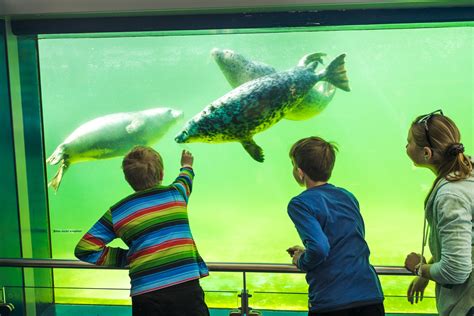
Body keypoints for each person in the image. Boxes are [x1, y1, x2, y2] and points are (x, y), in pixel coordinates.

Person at [75, 147, 209, 316]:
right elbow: (186, 179)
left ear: (127, 179)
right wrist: (187, 165)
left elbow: (85, 248)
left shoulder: (118, 211)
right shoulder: (176, 194)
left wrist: (128, 257)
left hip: (146, 295)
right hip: (185, 289)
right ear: (161, 174)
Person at [286, 136, 385, 316]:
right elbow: (349, 239)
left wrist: (301, 260)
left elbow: (320, 248)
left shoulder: (300, 204)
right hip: (370, 295)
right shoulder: (348, 196)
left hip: (333, 301)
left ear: (300, 172)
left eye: (293, 164)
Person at [404, 110, 473, 316]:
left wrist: (419, 268)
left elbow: (456, 271)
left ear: (427, 153)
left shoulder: (451, 195)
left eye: (409, 142)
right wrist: (429, 271)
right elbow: (464, 241)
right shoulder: (467, 175)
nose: (406, 147)